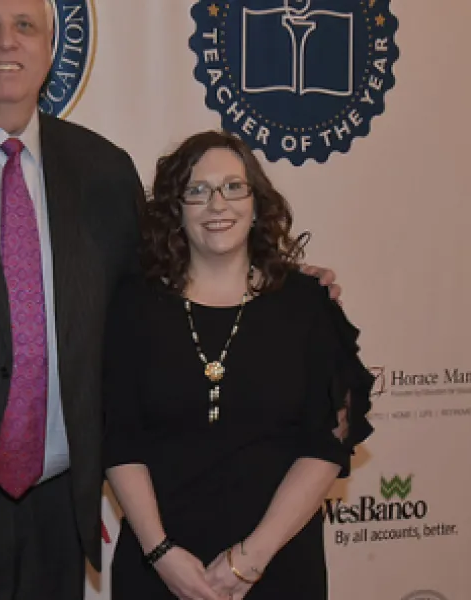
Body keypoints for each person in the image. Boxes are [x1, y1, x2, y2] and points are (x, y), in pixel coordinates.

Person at [0, 0, 342, 598]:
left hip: (53, 517)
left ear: (50, 49)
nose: (6, 43)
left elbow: (169, 283)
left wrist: (272, 282)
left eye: (25, 26)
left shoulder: (103, 170)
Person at [102, 130, 374, 600]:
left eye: (233, 186)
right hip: (161, 570)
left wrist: (250, 559)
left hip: (278, 567)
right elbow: (118, 438)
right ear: (175, 208)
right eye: (197, 190)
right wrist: (161, 553)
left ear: (256, 201)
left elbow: (326, 444)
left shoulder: (308, 305)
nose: (217, 204)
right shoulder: (134, 306)